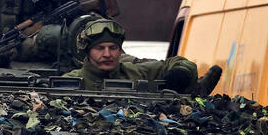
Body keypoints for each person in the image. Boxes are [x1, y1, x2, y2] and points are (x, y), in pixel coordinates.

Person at [63, 18, 222, 93]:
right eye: (99, 48)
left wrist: (180, 74)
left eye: (113, 47)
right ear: (87, 51)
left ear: (120, 51)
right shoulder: (69, 81)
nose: (107, 54)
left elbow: (177, 62)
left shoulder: (136, 72)